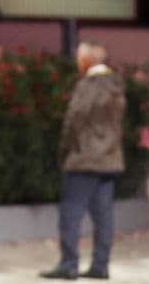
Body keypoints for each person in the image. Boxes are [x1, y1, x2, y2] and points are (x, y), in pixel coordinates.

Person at [40, 41, 126, 280]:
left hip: (84, 158)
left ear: (87, 60)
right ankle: (100, 265)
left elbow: (74, 119)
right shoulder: (115, 84)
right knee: (103, 215)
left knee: (71, 213)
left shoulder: (89, 85)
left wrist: (65, 150)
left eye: (80, 58)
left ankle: (69, 264)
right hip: (109, 158)